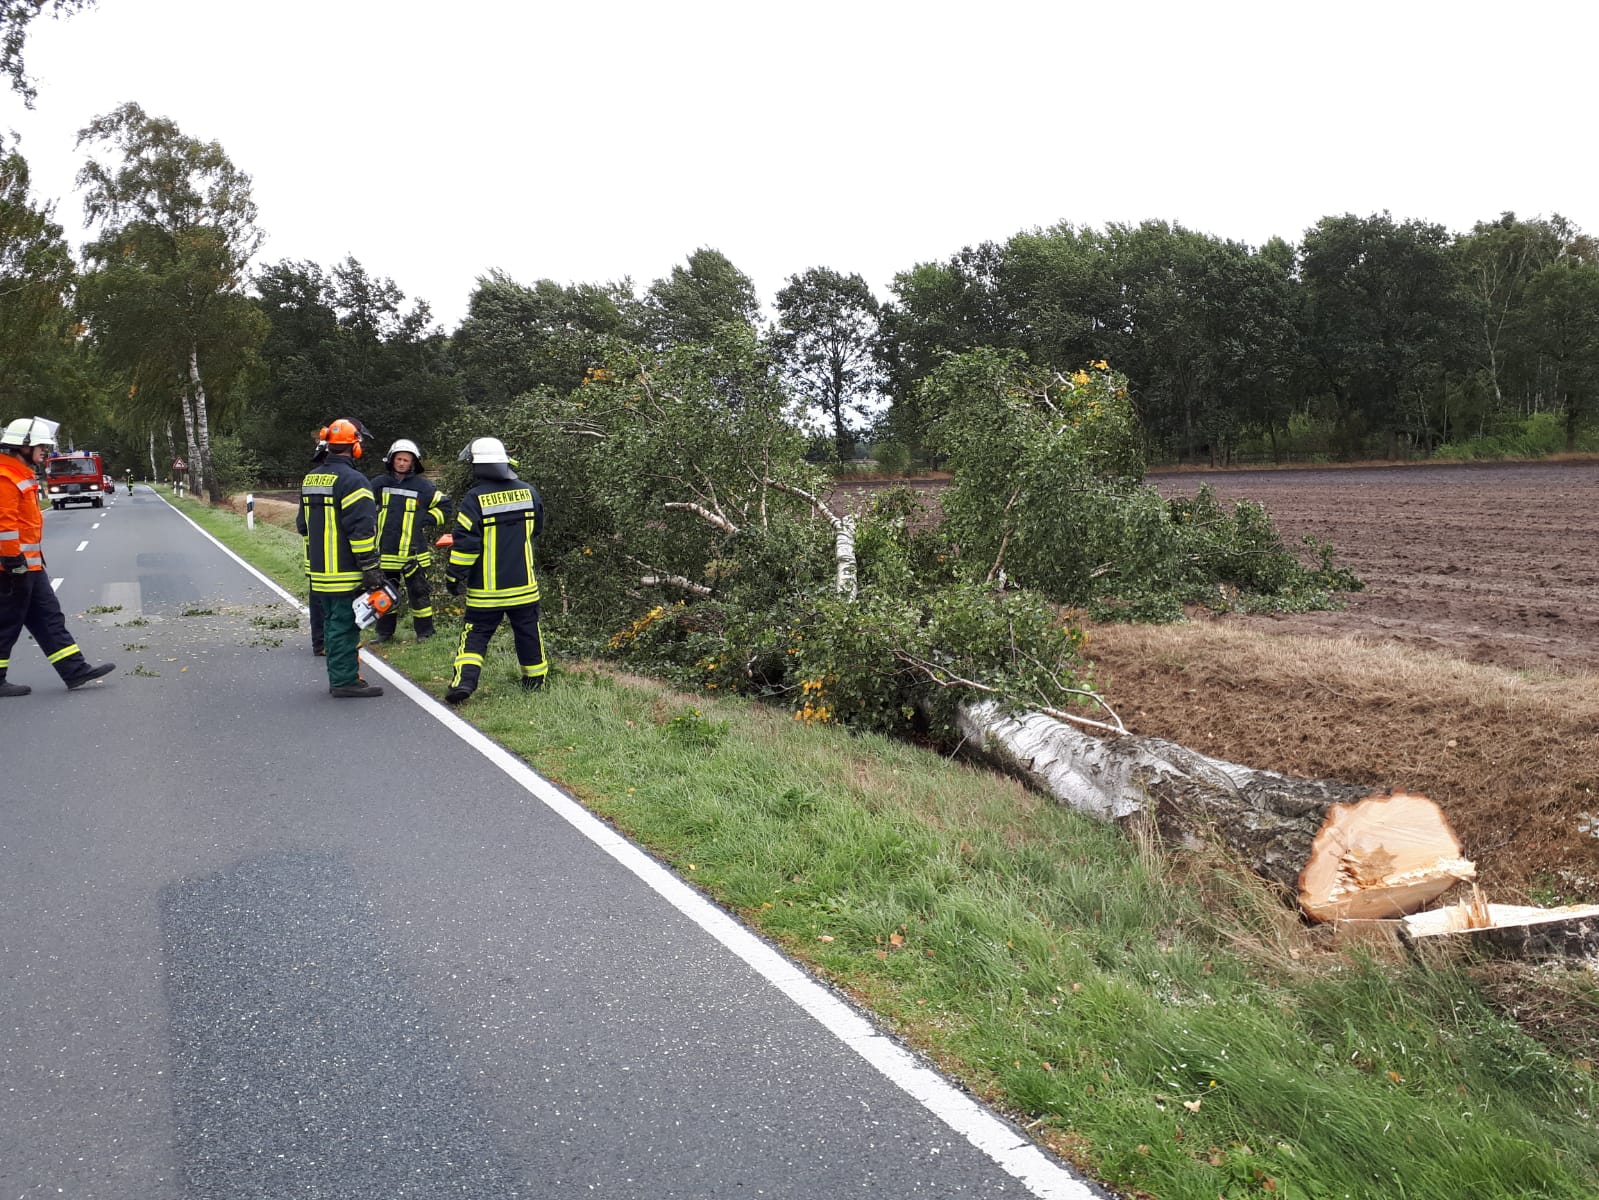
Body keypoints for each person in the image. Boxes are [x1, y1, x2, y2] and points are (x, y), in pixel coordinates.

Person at [0, 416, 116, 697]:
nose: (45, 452)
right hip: (11, 567)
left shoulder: (21, 473)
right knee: (7, 622)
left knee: (49, 617)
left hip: (30, 566)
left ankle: (74, 670)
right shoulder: (5, 476)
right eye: (41, 447)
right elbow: (5, 524)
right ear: (23, 446)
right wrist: (12, 559)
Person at [443, 437, 548, 704]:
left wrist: (454, 577)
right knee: (528, 632)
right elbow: (537, 529)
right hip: (524, 586)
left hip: (486, 591)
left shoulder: (474, 499)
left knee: (476, 635)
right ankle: (535, 682)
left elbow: (466, 546)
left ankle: (464, 683)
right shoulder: (529, 492)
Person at [296, 418, 384, 699]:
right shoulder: (354, 481)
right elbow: (361, 531)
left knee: (332, 624)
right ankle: (345, 680)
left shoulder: (311, 478)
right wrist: (370, 568)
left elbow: (302, 526)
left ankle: (344, 677)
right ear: (355, 447)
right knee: (344, 627)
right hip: (345, 571)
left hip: (319, 570)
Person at [369, 438, 447, 643]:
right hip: (385, 551)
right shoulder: (378, 484)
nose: (402, 463)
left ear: (413, 463)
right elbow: (364, 506)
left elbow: (445, 507)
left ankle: (425, 633)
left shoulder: (424, 486)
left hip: (413, 552)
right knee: (385, 593)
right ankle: (384, 633)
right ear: (392, 460)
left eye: (406, 460)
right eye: (399, 459)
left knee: (419, 593)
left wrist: (425, 520)